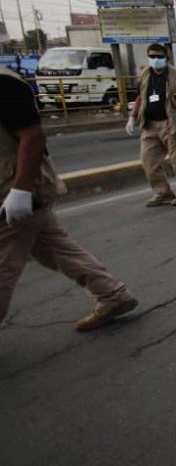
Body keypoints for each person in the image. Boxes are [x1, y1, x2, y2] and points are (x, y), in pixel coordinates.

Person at [1, 65, 138, 331]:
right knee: (55, 249)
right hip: (16, 190)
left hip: (12, 189)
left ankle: (112, 295)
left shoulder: (4, 83)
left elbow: (32, 137)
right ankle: (112, 295)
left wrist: (20, 191)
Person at [124, 44, 176, 207]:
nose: (155, 60)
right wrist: (132, 117)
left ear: (167, 57)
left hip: (172, 125)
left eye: (159, 57)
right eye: (152, 57)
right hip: (150, 126)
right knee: (148, 161)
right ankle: (162, 192)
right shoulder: (145, 75)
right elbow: (140, 97)